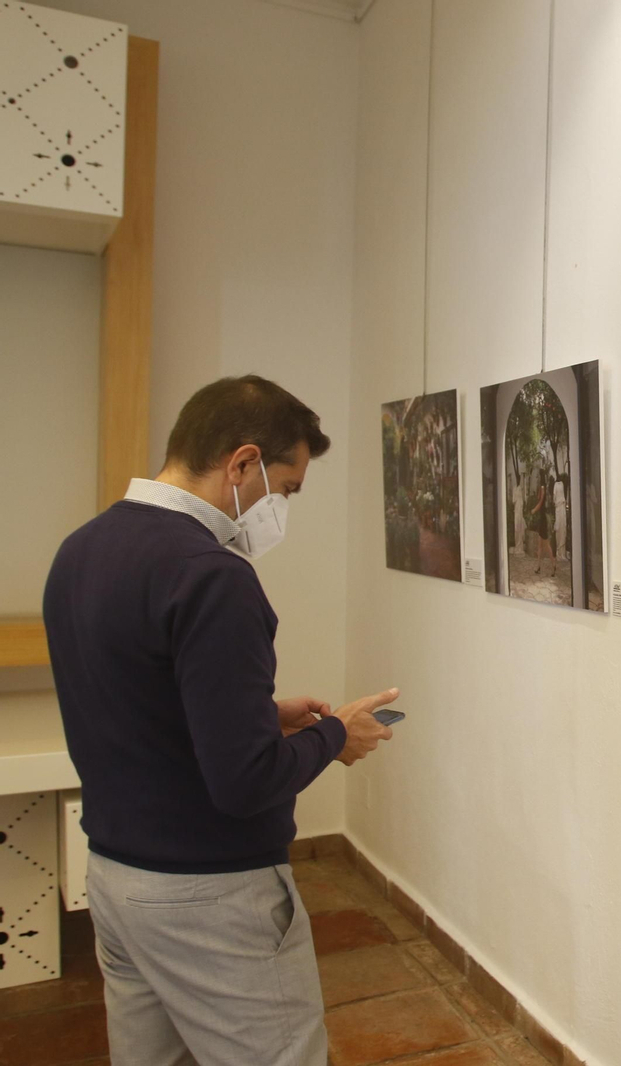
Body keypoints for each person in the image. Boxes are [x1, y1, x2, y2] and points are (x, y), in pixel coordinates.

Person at [42, 375, 398, 1065]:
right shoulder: (213, 576)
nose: (280, 509)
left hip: (114, 879)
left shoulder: (79, 551)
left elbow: (138, 701)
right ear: (241, 464)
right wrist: (333, 735)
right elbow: (245, 782)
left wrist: (260, 714)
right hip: (210, 896)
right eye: (286, 489)